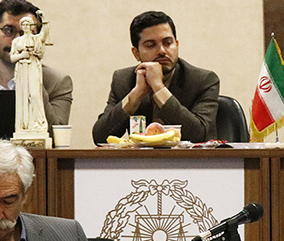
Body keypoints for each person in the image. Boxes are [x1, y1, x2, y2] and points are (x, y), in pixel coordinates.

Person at [92, 11, 220, 143]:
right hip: (141, 157)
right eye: (151, 45)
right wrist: (135, 96)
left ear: (177, 45)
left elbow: (200, 136)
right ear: (136, 53)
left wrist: (159, 88)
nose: (162, 51)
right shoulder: (123, 80)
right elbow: (100, 138)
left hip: (186, 157)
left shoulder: (203, 80)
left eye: (168, 43)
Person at [10, 13, 51, 133]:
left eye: (28, 24)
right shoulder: (17, 41)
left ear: (31, 26)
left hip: (32, 67)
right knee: (23, 96)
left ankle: (37, 123)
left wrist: (43, 18)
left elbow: (45, 33)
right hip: (22, 69)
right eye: (24, 24)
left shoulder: (36, 39)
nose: (26, 26)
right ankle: (25, 125)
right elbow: (12, 57)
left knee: (34, 95)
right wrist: (22, 55)